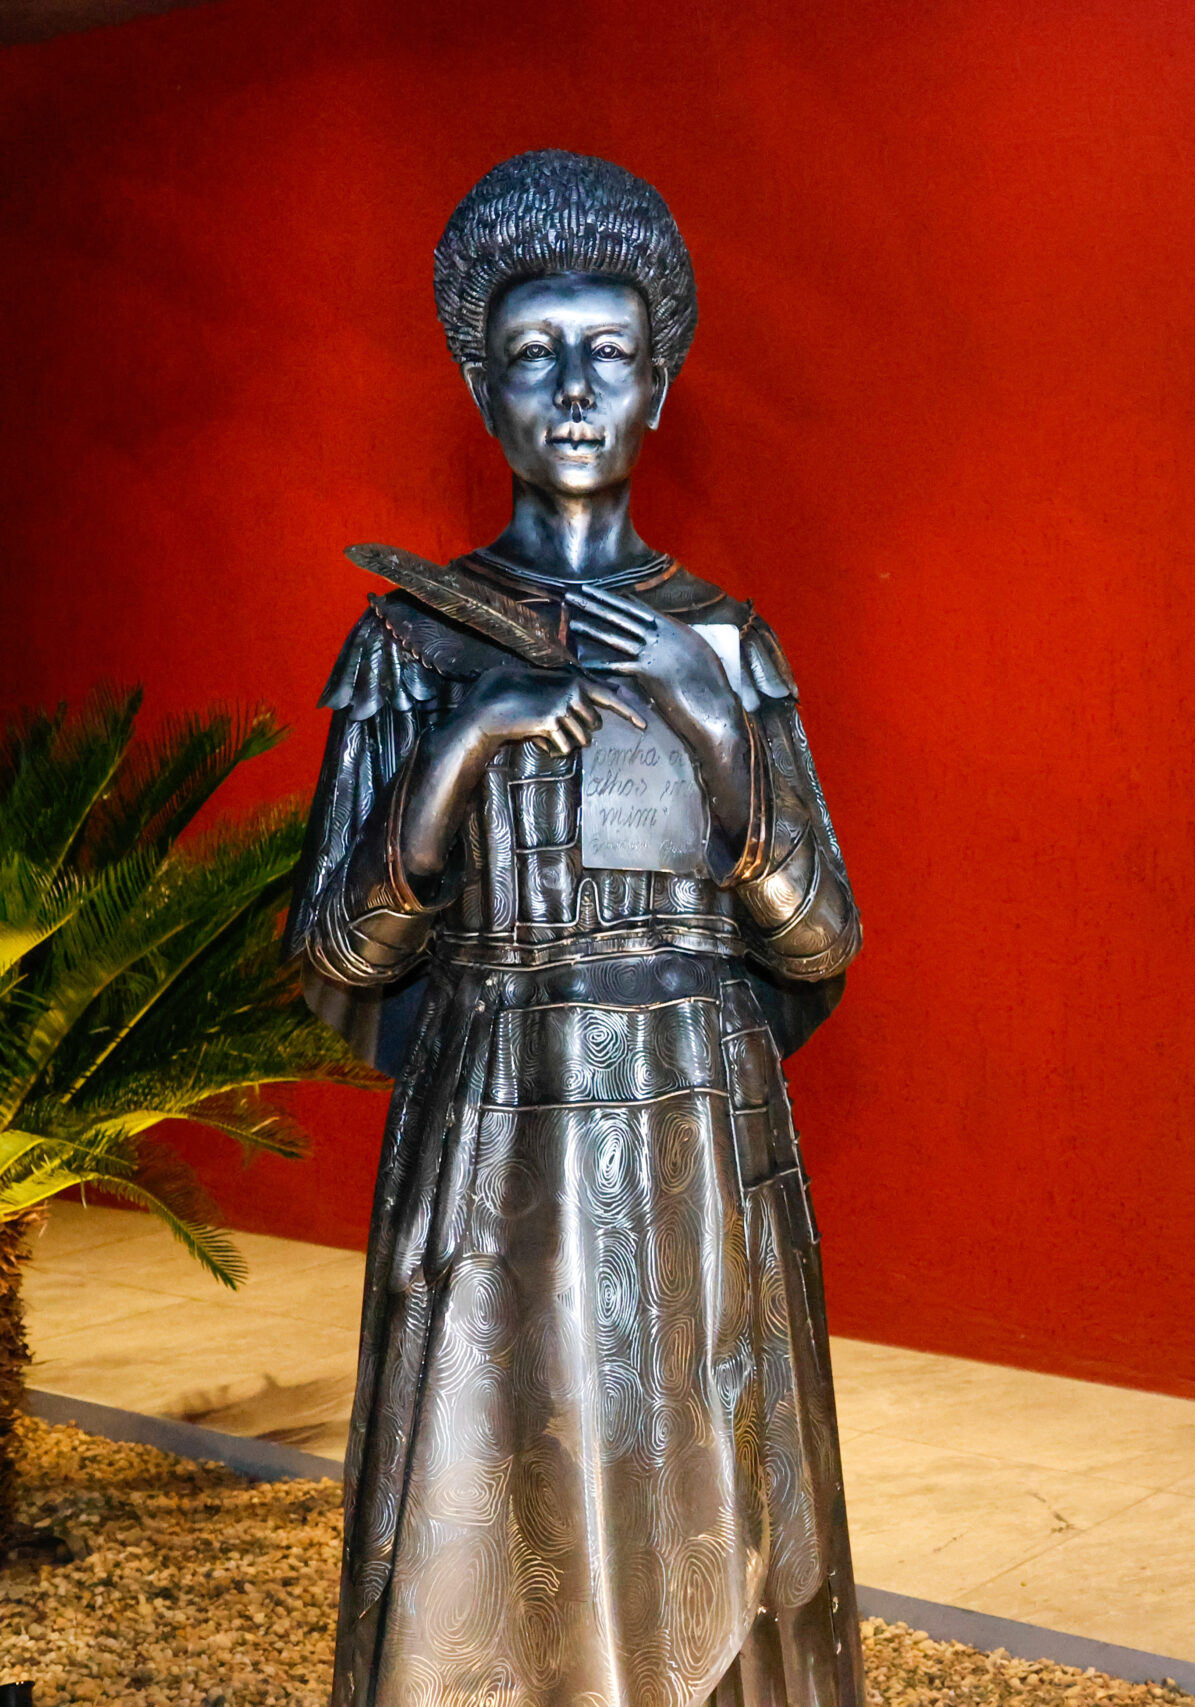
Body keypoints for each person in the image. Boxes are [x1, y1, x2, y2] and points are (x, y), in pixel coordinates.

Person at [287, 152, 863, 1707]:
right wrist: (457, 752)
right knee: (498, 1501)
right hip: (496, 1140)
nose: (574, 388)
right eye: (533, 353)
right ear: (482, 386)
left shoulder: (726, 640)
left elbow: (822, 941)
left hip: (703, 1134)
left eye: (608, 350)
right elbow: (334, 958)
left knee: (709, 1499)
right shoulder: (412, 640)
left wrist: (719, 741)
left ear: (659, 380)